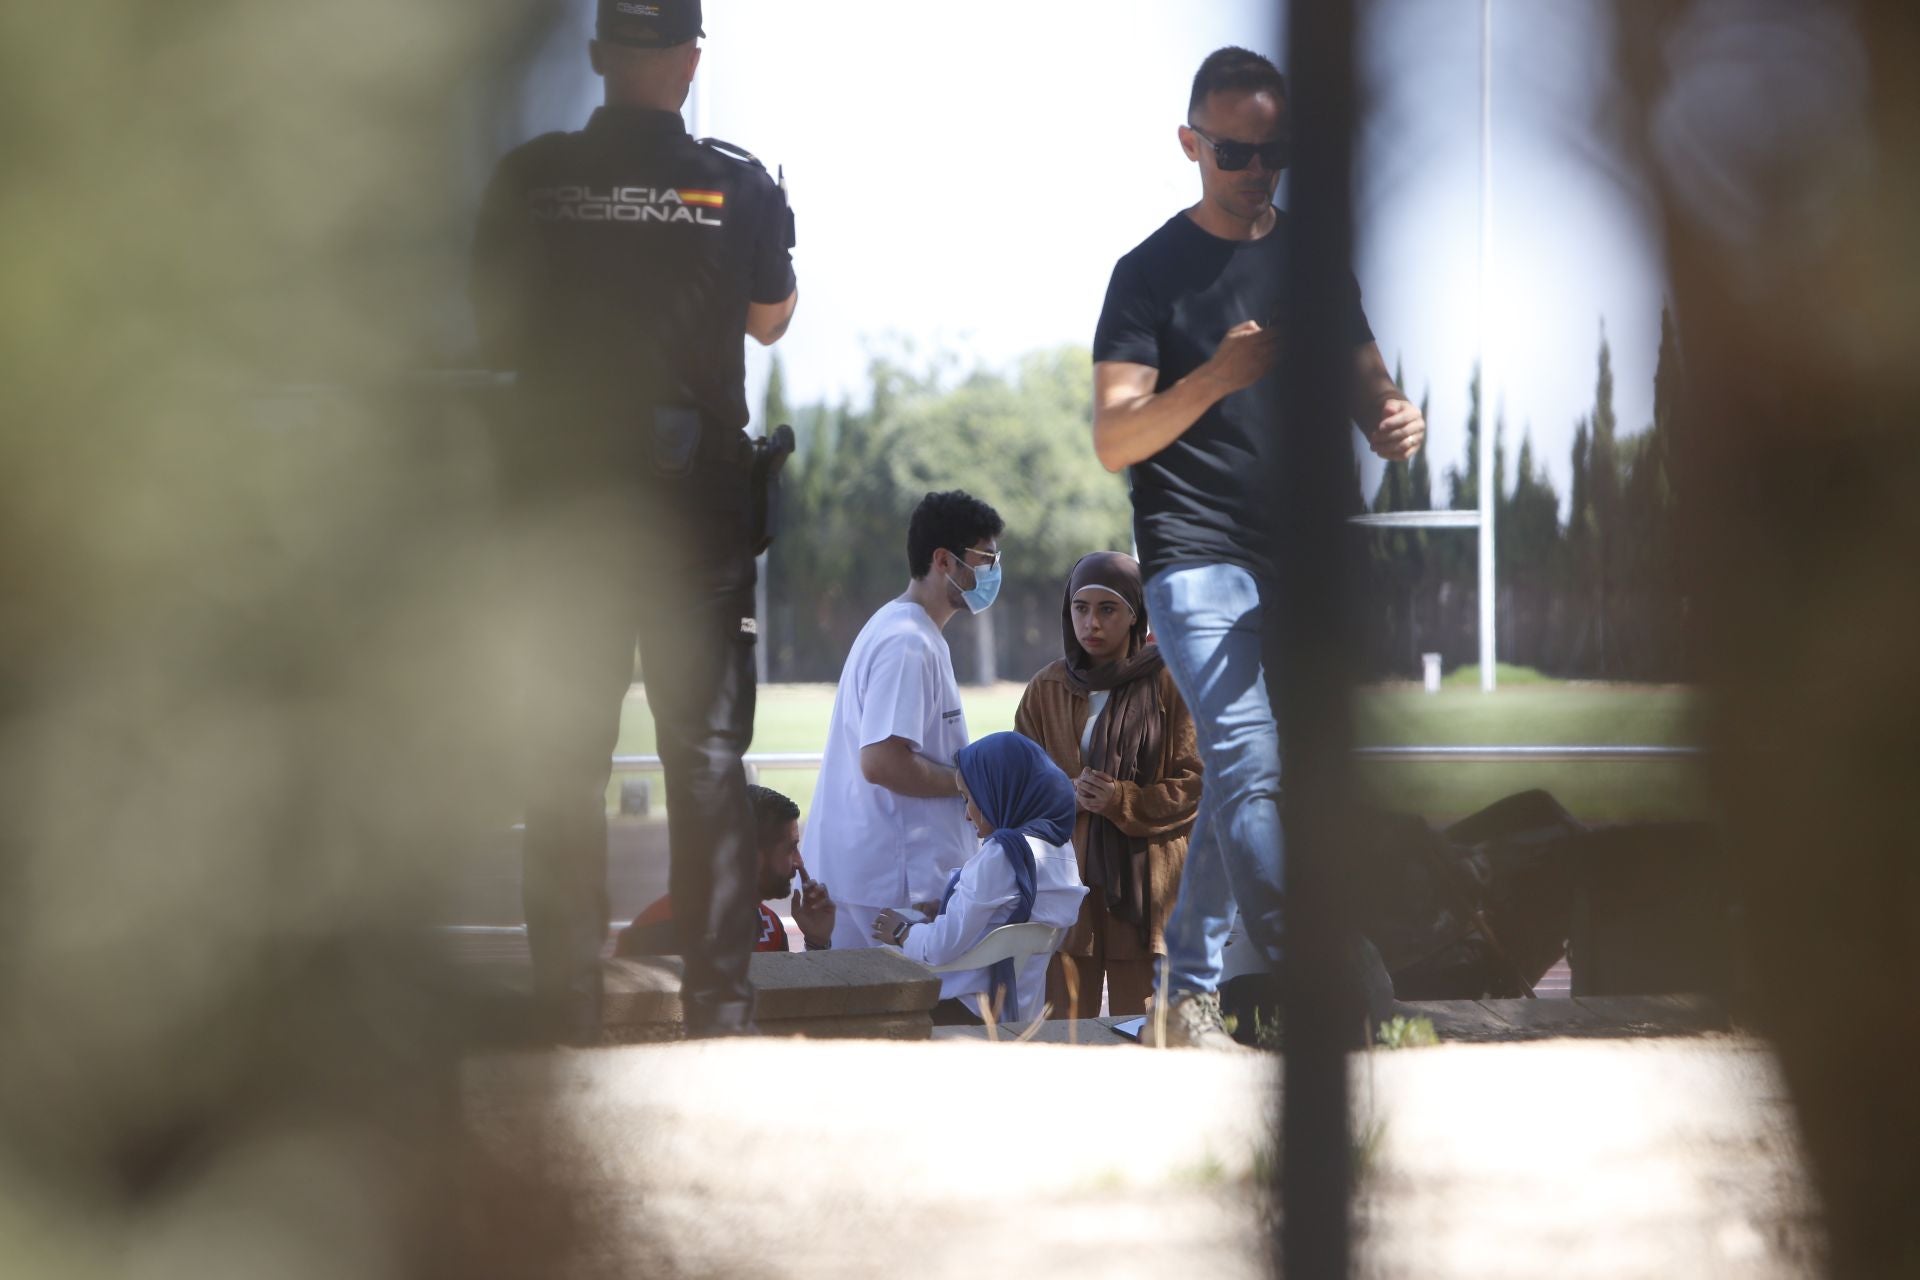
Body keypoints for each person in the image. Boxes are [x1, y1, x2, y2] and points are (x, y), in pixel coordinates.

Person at [470, 0, 799, 1040]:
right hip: (693, 512)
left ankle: (567, 1001)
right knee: (704, 762)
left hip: (564, 509)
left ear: (601, 54)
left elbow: (494, 321)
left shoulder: (530, 179)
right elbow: (771, 316)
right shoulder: (739, 185)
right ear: (692, 61)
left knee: (563, 761)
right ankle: (720, 1007)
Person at [1089, 47, 1426, 1048]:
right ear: (1192, 145)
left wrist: (1391, 418)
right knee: (1250, 756)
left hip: (1302, 554)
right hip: (1194, 553)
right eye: (1234, 150)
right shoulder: (1147, 275)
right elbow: (1116, 436)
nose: (1255, 169)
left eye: (1273, 151)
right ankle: (1320, 977)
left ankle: (1182, 1000)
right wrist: (1216, 377)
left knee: (1248, 775)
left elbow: (1369, 383)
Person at [802, 490, 1006, 952]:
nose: (992, 573)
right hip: (886, 888)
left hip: (881, 880)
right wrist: (970, 782)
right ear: (944, 560)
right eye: (984, 560)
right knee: (885, 1019)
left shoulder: (910, 632)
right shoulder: (907, 642)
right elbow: (881, 762)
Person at [1014, 552, 1203, 1018]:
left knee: (1139, 1024)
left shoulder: (1169, 681)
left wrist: (1123, 800)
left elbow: (1196, 781)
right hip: (1068, 882)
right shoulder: (1048, 688)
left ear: (1135, 614)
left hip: (1145, 885)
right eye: (1081, 608)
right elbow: (1018, 782)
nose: (1091, 623)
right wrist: (1068, 794)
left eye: (1107, 609)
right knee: (1063, 1020)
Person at [873, 733, 1086, 1024]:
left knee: (863, 996)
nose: (967, 815)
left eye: (968, 798)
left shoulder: (1003, 854)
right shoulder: (1060, 849)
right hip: (1024, 1007)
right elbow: (1003, 917)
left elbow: (940, 948)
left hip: (967, 1007)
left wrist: (903, 932)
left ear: (997, 790)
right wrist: (950, 904)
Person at [615, 784, 836, 957]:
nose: (799, 862)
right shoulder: (653, 932)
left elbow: (786, 1007)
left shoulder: (770, 927)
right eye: (791, 848)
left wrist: (817, 942)